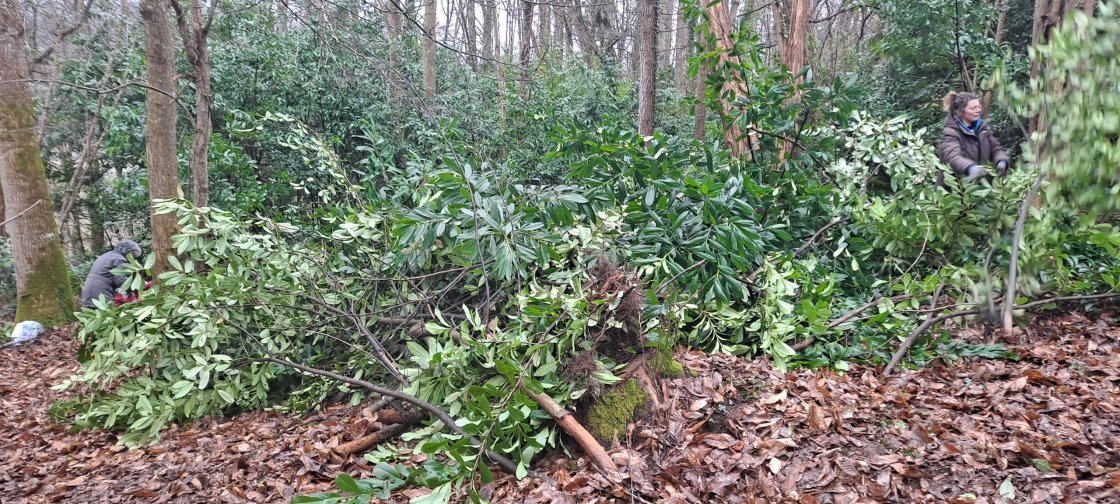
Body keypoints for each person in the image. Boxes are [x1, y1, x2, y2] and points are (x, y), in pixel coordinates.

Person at [936, 91, 1011, 186]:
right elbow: (953, 157)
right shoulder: (950, 133)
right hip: (953, 190)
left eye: (979, 107)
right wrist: (970, 167)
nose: (978, 110)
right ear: (961, 111)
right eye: (973, 108)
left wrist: (1001, 160)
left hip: (978, 187)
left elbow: (995, 149)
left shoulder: (982, 129)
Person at [80, 240, 143, 308]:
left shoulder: (107, 255)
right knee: (106, 314)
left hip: (89, 289)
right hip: (101, 291)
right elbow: (121, 281)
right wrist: (136, 287)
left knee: (92, 314)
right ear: (129, 253)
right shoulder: (119, 259)